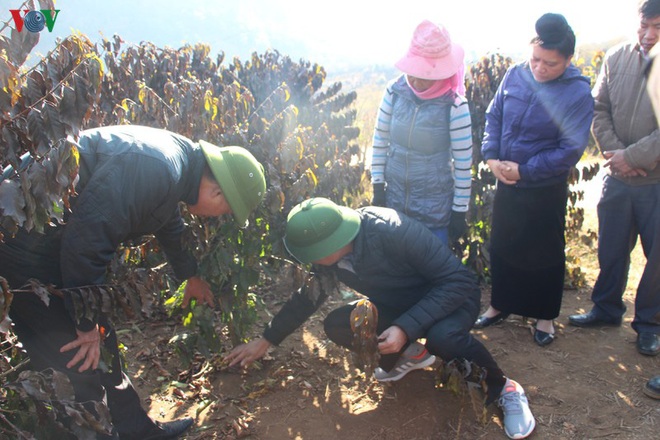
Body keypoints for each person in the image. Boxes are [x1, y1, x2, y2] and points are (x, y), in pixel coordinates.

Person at [0, 125, 267, 439]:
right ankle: (95, 430)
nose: (216, 216)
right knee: (79, 360)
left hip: (34, 236)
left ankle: (134, 429)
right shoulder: (159, 168)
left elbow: (169, 222)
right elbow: (86, 242)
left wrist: (190, 275)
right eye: (225, 210)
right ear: (217, 192)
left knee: (98, 345)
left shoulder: (177, 164)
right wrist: (85, 323)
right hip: (23, 241)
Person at [226, 197, 536, 439]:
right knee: (337, 324)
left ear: (331, 243)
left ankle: (504, 388)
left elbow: (458, 281)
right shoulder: (328, 256)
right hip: (401, 303)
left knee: (443, 338)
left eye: (313, 255)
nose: (308, 262)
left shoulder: (393, 231)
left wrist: (405, 326)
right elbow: (308, 297)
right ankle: (413, 356)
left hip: (451, 298)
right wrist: (267, 339)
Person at [474, 13, 594, 347]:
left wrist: (525, 170)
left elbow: (570, 149)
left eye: (550, 64)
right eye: (536, 60)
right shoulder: (515, 74)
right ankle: (500, 304)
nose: (540, 68)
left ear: (568, 60)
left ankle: (544, 316)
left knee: (544, 252)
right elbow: (494, 115)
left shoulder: (577, 94)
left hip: (544, 185)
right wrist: (492, 157)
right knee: (504, 243)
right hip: (507, 180)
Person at [568, 0, 660, 359]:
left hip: (655, 183)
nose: (650, 35)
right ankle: (605, 308)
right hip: (617, 178)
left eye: (658, 27)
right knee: (611, 249)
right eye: (644, 26)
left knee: (656, 262)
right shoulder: (616, 57)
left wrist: (632, 157)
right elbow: (599, 109)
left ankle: (650, 323)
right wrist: (616, 155)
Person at [370, 20, 472, 245]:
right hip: (395, 207)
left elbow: (463, 165)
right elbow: (380, 140)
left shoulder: (455, 106)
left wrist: (459, 211)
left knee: (431, 276)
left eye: (423, 75)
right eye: (411, 72)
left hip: (434, 215)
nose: (414, 80)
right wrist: (378, 186)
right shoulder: (394, 92)